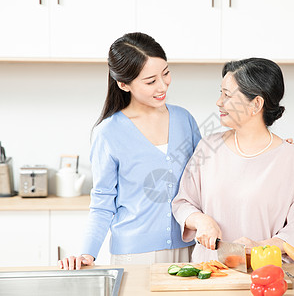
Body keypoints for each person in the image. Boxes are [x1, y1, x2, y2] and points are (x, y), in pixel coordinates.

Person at [59, 32, 201, 270]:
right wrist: (88, 253)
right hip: (136, 256)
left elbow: (210, 175)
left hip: (190, 249)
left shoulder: (184, 119)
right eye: (150, 81)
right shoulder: (109, 133)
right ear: (124, 84)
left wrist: (274, 148)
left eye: (166, 73)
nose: (162, 85)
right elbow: (103, 201)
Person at [172, 58, 294, 263]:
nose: (219, 102)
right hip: (209, 273)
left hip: (265, 275)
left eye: (227, 95)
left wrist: (260, 246)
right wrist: (201, 221)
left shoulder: (291, 159)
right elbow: (183, 202)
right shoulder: (208, 147)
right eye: (220, 93)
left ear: (256, 104)